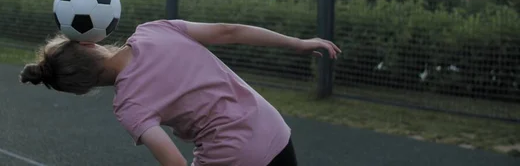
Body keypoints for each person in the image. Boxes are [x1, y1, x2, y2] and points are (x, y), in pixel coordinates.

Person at [20, 19, 341, 166]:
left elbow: (173, 161)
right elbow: (230, 31)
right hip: (273, 129)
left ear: (81, 90)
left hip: (233, 155)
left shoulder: (129, 107)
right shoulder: (153, 30)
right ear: (90, 44)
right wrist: (298, 43)